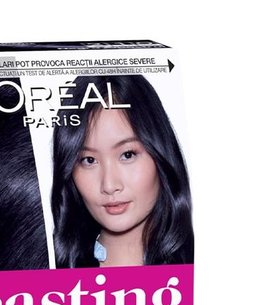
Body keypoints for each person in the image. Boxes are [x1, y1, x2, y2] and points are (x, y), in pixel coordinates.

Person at [51, 75, 194, 268]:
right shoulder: (44, 267)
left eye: (127, 155)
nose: (109, 185)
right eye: (89, 160)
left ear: (160, 153)